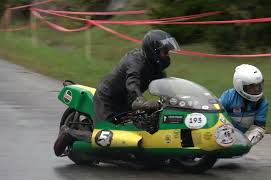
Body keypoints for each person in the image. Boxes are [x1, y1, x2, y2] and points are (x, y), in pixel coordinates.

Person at [53, 29, 181, 156]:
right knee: (105, 136)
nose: (167, 55)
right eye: (165, 52)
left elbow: (165, 87)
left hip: (127, 101)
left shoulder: (156, 67)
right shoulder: (135, 61)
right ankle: (68, 133)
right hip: (108, 99)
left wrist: (178, 101)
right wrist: (139, 100)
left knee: (144, 127)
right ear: (154, 51)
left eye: (168, 52)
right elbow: (132, 82)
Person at [219, 64, 268, 146]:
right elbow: (216, 115)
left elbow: (259, 126)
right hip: (223, 133)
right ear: (240, 85)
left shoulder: (262, 101)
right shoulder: (228, 97)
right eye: (252, 87)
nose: (257, 89)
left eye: (259, 86)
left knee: (259, 131)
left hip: (243, 137)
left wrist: (245, 144)